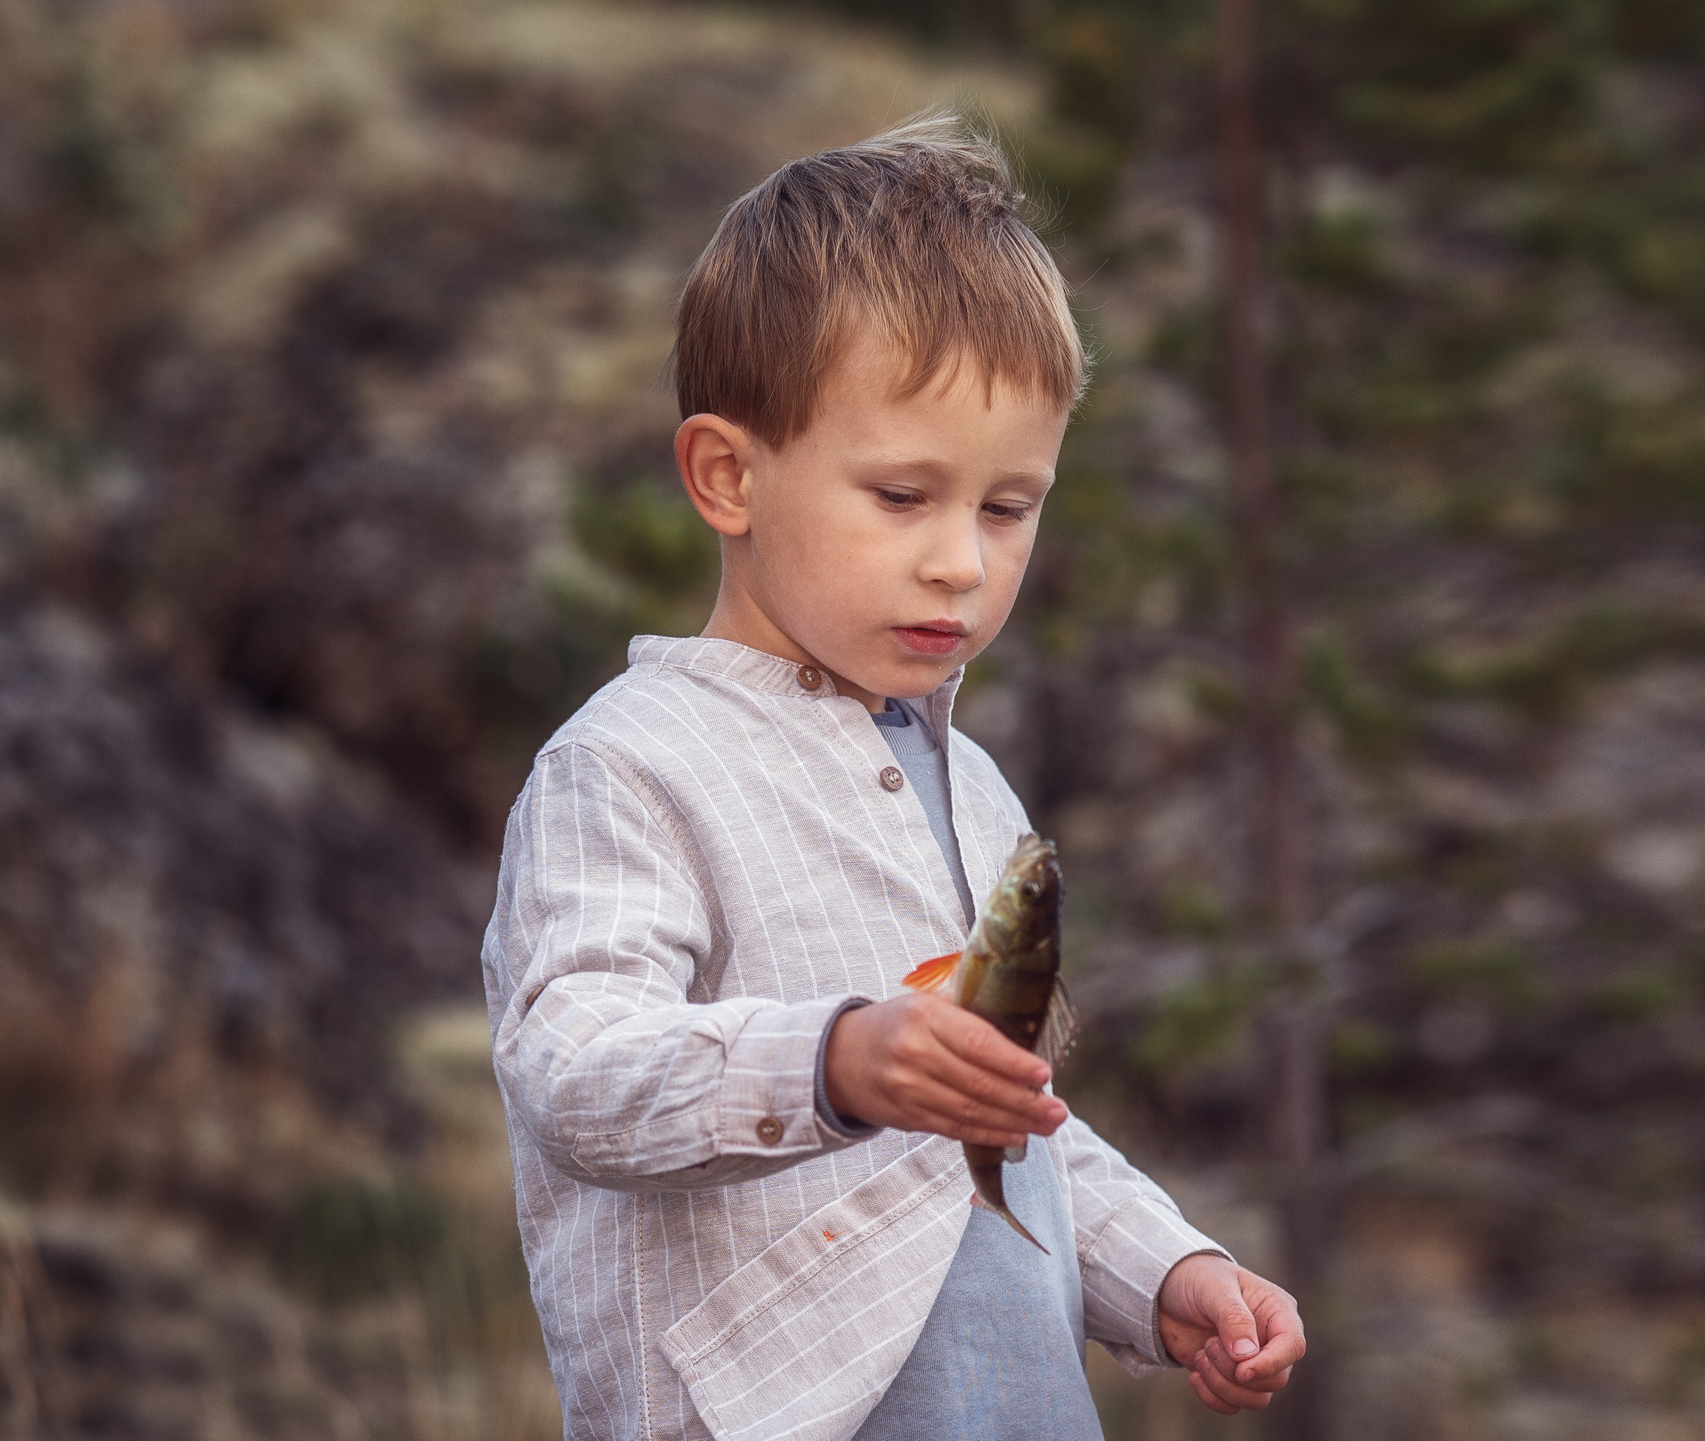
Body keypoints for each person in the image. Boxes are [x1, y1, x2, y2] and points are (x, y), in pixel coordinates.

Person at [483, 111, 1307, 1441]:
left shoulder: (978, 796)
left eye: (1006, 506)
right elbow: (573, 1067)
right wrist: (836, 1060)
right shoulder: (629, 762)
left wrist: (1163, 1269)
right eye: (902, 496)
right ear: (727, 475)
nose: (961, 565)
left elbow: (1004, 1129)